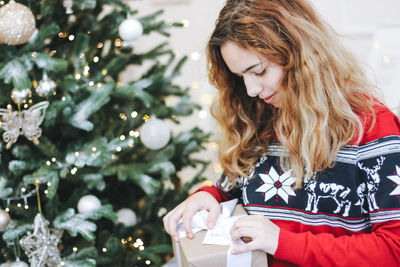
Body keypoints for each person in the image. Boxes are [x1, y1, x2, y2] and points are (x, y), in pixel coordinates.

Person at [163, 0, 400, 266]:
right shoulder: (258, 118)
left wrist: (281, 241)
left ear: (299, 55)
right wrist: (208, 196)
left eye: (259, 71)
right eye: (241, 77)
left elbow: (394, 249)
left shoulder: (371, 128)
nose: (251, 89)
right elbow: (229, 191)